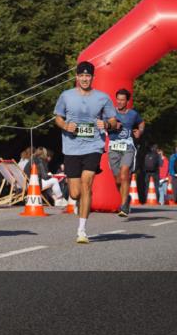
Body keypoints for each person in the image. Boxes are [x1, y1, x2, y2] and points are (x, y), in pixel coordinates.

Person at [53, 61, 118, 244]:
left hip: (93, 146)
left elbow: (113, 120)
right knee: (75, 193)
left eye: (88, 76)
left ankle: (82, 230)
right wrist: (66, 125)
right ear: (76, 77)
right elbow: (58, 117)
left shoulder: (103, 98)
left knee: (87, 183)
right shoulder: (66, 96)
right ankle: (79, 203)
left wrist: (105, 124)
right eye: (81, 76)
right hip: (71, 147)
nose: (84, 79)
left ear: (92, 78)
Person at [108, 88, 144, 218]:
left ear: (127, 101)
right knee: (118, 180)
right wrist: (111, 125)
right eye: (118, 99)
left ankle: (124, 206)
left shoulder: (133, 114)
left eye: (123, 100)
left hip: (128, 146)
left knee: (125, 173)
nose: (120, 102)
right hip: (113, 147)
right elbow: (101, 124)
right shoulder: (110, 113)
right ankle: (126, 198)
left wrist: (140, 131)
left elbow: (141, 123)